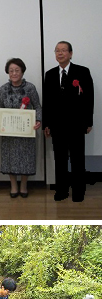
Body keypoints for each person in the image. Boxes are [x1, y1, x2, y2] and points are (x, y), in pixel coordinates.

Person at [43, 41, 94, 202]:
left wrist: (88, 121)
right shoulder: (50, 74)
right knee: (60, 159)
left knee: (78, 159)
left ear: (70, 53)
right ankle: (62, 191)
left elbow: (89, 98)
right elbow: (47, 102)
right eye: (57, 51)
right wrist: (46, 124)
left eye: (64, 50)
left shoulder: (82, 72)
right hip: (57, 125)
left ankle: (79, 192)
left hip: (77, 124)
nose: (60, 53)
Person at [0, 58, 41, 197]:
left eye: (17, 70)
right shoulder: (4, 88)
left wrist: (38, 120)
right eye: (11, 71)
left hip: (26, 130)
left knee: (26, 158)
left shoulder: (30, 88)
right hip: (9, 132)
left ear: (22, 71)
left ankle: (24, 186)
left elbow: (37, 106)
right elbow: (0, 108)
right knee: (10, 158)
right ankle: (13, 186)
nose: (14, 73)